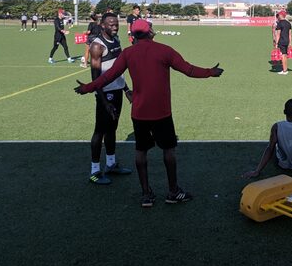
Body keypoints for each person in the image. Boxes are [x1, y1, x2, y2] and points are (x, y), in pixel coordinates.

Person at [74, 19, 224, 207]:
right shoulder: (164, 50)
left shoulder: (128, 53)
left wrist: (88, 88)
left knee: (141, 151)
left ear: (133, 35)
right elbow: (189, 70)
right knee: (168, 150)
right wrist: (211, 72)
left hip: (139, 112)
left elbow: (108, 76)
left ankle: (146, 195)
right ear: (150, 32)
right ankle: (173, 192)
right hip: (161, 111)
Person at [86, 12, 133, 185]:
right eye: (111, 24)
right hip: (105, 94)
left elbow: (118, 69)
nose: (115, 26)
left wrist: (126, 89)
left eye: (116, 24)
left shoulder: (117, 41)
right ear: (103, 25)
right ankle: (95, 171)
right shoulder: (97, 46)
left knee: (112, 128)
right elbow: (95, 79)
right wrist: (104, 102)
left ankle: (111, 164)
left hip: (118, 91)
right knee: (100, 130)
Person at [274, 10, 292, 75]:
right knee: (285, 55)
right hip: (287, 41)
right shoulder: (288, 23)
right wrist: (290, 43)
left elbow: (278, 34)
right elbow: (290, 34)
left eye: (278, 15)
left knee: (283, 56)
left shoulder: (280, 23)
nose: (278, 16)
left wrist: (276, 43)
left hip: (281, 41)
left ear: (281, 15)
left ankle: (285, 70)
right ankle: (285, 69)